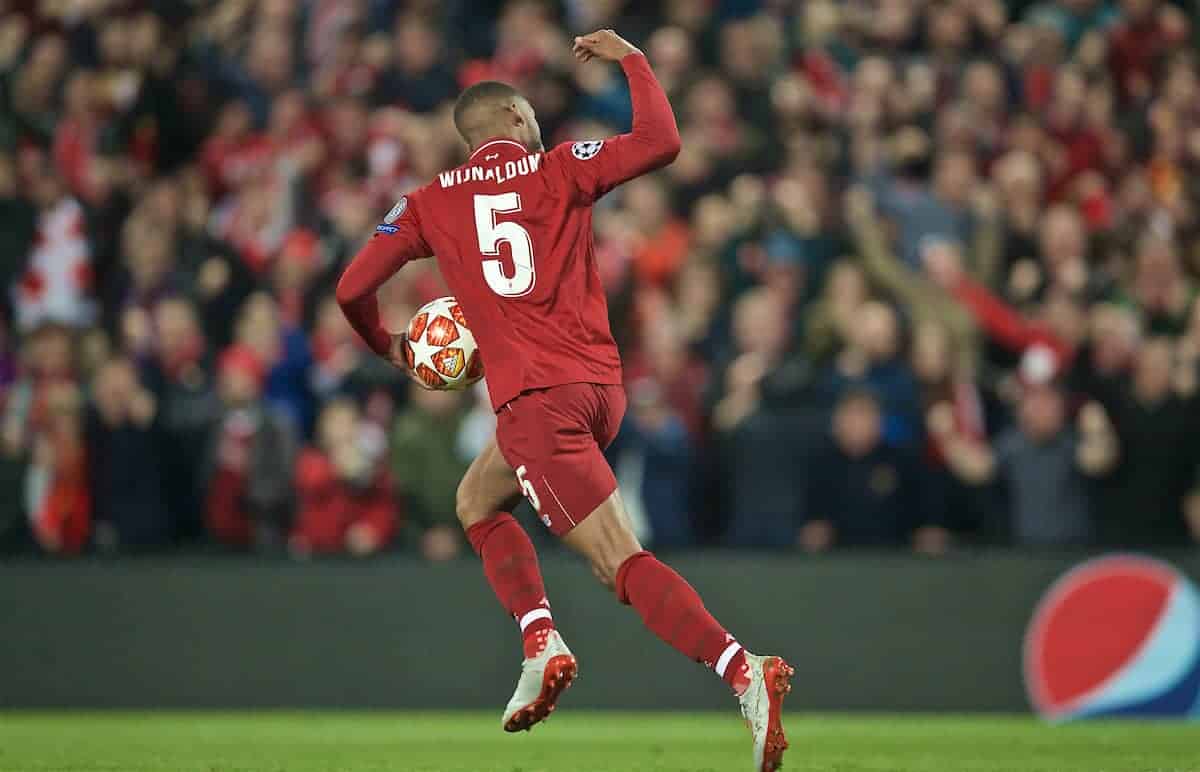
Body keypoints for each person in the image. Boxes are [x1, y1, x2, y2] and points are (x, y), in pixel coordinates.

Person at [337, 30, 792, 772]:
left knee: (619, 564)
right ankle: (539, 637)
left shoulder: (425, 205)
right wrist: (633, 59)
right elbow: (662, 140)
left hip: (534, 405)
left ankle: (746, 673)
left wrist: (386, 345)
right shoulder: (561, 168)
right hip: (596, 391)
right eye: (532, 117)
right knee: (476, 501)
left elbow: (352, 288)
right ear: (515, 121)